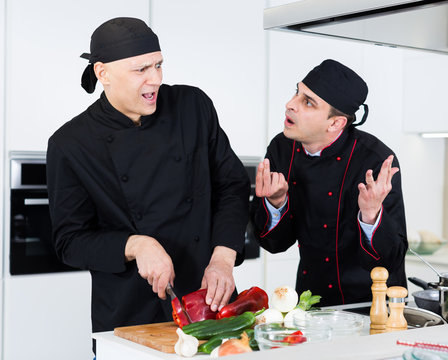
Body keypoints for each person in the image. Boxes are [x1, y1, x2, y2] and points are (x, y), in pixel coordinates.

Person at [46, 17, 250, 340]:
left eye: (158, 65)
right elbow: (70, 241)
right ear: (103, 73)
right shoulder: (71, 144)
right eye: (141, 70)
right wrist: (135, 244)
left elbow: (232, 186)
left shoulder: (193, 107)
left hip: (210, 300)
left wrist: (224, 258)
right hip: (128, 316)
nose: (156, 79)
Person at [251, 59, 408, 306]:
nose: (290, 104)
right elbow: (274, 244)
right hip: (311, 305)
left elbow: (391, 259)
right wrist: (276, 202)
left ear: (336, 123)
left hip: (372, 309)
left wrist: (371, 215)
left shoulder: (376, 161)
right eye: (297, 93)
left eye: (308, 102)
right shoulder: (281, 149)